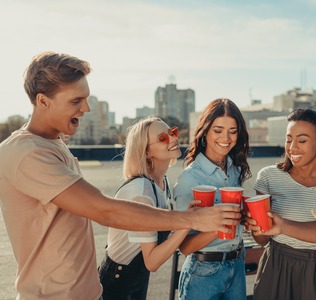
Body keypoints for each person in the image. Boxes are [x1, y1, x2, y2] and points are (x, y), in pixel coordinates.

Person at [0, 51, 240, 300]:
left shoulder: (54, 144)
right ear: (43, 101)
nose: (86, 108)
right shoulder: (26, 153)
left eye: (86, 98)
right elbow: (106, 211)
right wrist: (192, 220)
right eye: (76, 101)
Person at [247, 108, 316, 300]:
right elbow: (262, 240)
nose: (292, 147)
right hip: (275, 264)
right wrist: (256, 227)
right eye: (288, 139)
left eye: (302, 140)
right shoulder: (269, 177)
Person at [99, 117, 198, 299]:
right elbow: (152, 261)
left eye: (173, 132)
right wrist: (188, 221)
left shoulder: (161, 183)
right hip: (116, 284)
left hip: (137, 278)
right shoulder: (141, 192)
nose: (173, 138)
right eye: (163, 138)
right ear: (145, 152)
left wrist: (184, 217)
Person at [173, 98, 252, 300]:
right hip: (204, 273)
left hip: (236, 265)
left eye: (232, 131)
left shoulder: (234, 169)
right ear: (205, 132)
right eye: (218, 130)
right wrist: (221, 226)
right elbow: (185, 247)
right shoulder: (190, 179)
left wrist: (244, 217)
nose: (226, 137)